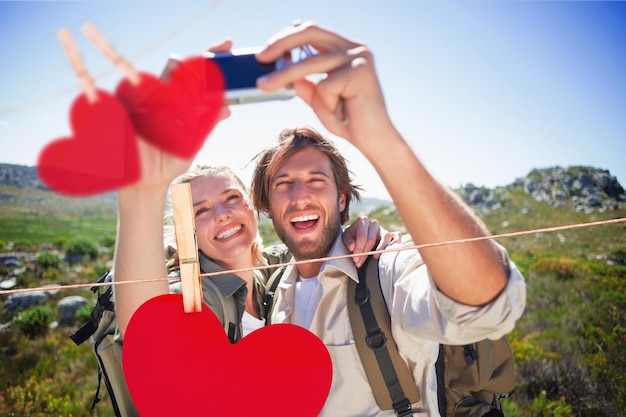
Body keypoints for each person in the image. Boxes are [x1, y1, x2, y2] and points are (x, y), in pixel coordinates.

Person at [247, 22, 527, 416]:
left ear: (342, 198)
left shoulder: (386, 269)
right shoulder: (273, 289)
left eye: (316, 180)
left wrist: (379, 136)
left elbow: (485, 309)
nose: (300, 196)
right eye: (283, 184)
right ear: (267, 204)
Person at [112, 142, 398, 340]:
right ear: (186, 230)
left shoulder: (276, 269)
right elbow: (147, 330)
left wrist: (354, 232)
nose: (223, 215)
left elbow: (316, 246)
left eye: (231, 198)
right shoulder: (194, 297)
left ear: (254, 206)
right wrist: (139, 195)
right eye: (201, 210)